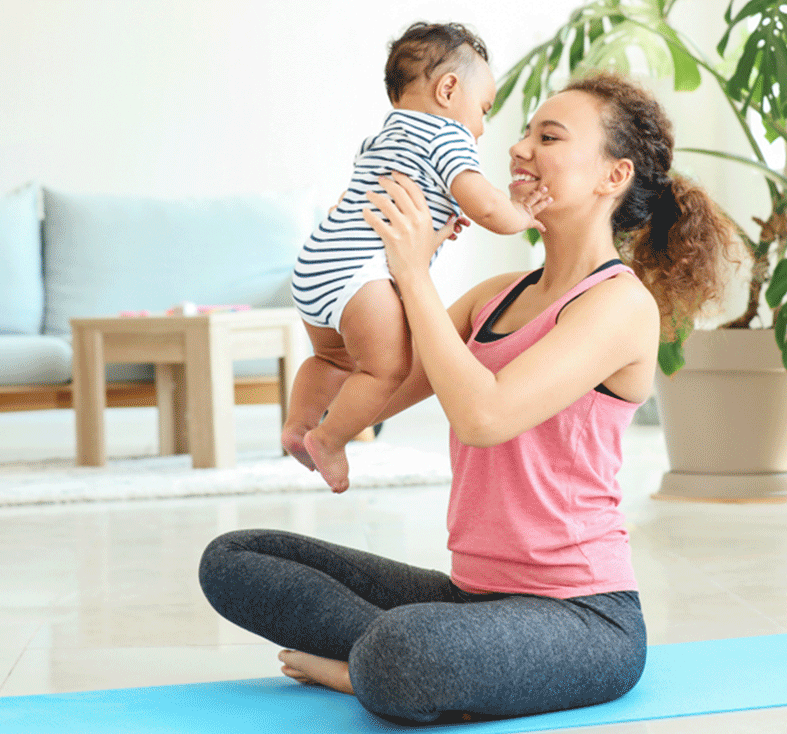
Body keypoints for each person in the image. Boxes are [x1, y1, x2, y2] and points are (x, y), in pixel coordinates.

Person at [200, 71, 738, 724]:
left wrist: (414, 272)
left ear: (612, 175)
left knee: (408, 649)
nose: (519, 149)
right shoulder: (496, 296)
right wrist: (354, 268)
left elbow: (484, 415)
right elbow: (375, 387)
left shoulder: (619, 304)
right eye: (523, 133)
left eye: (550, 136)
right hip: (473, 596)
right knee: (234, 559)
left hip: (583, 617)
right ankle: (393, 656)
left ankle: (376, 664)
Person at [284, 22, 548, 493]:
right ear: (449, 89)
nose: (483, 126)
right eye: (483, 109)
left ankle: (296, 425)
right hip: (359, 275)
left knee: (331, 360)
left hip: (317, 262)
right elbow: (486, 204)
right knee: (388, 369)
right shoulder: (448, 136)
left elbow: (384, 195)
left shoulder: (385, 135)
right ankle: (328, 438)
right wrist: (521, 214)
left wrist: (442, 225)